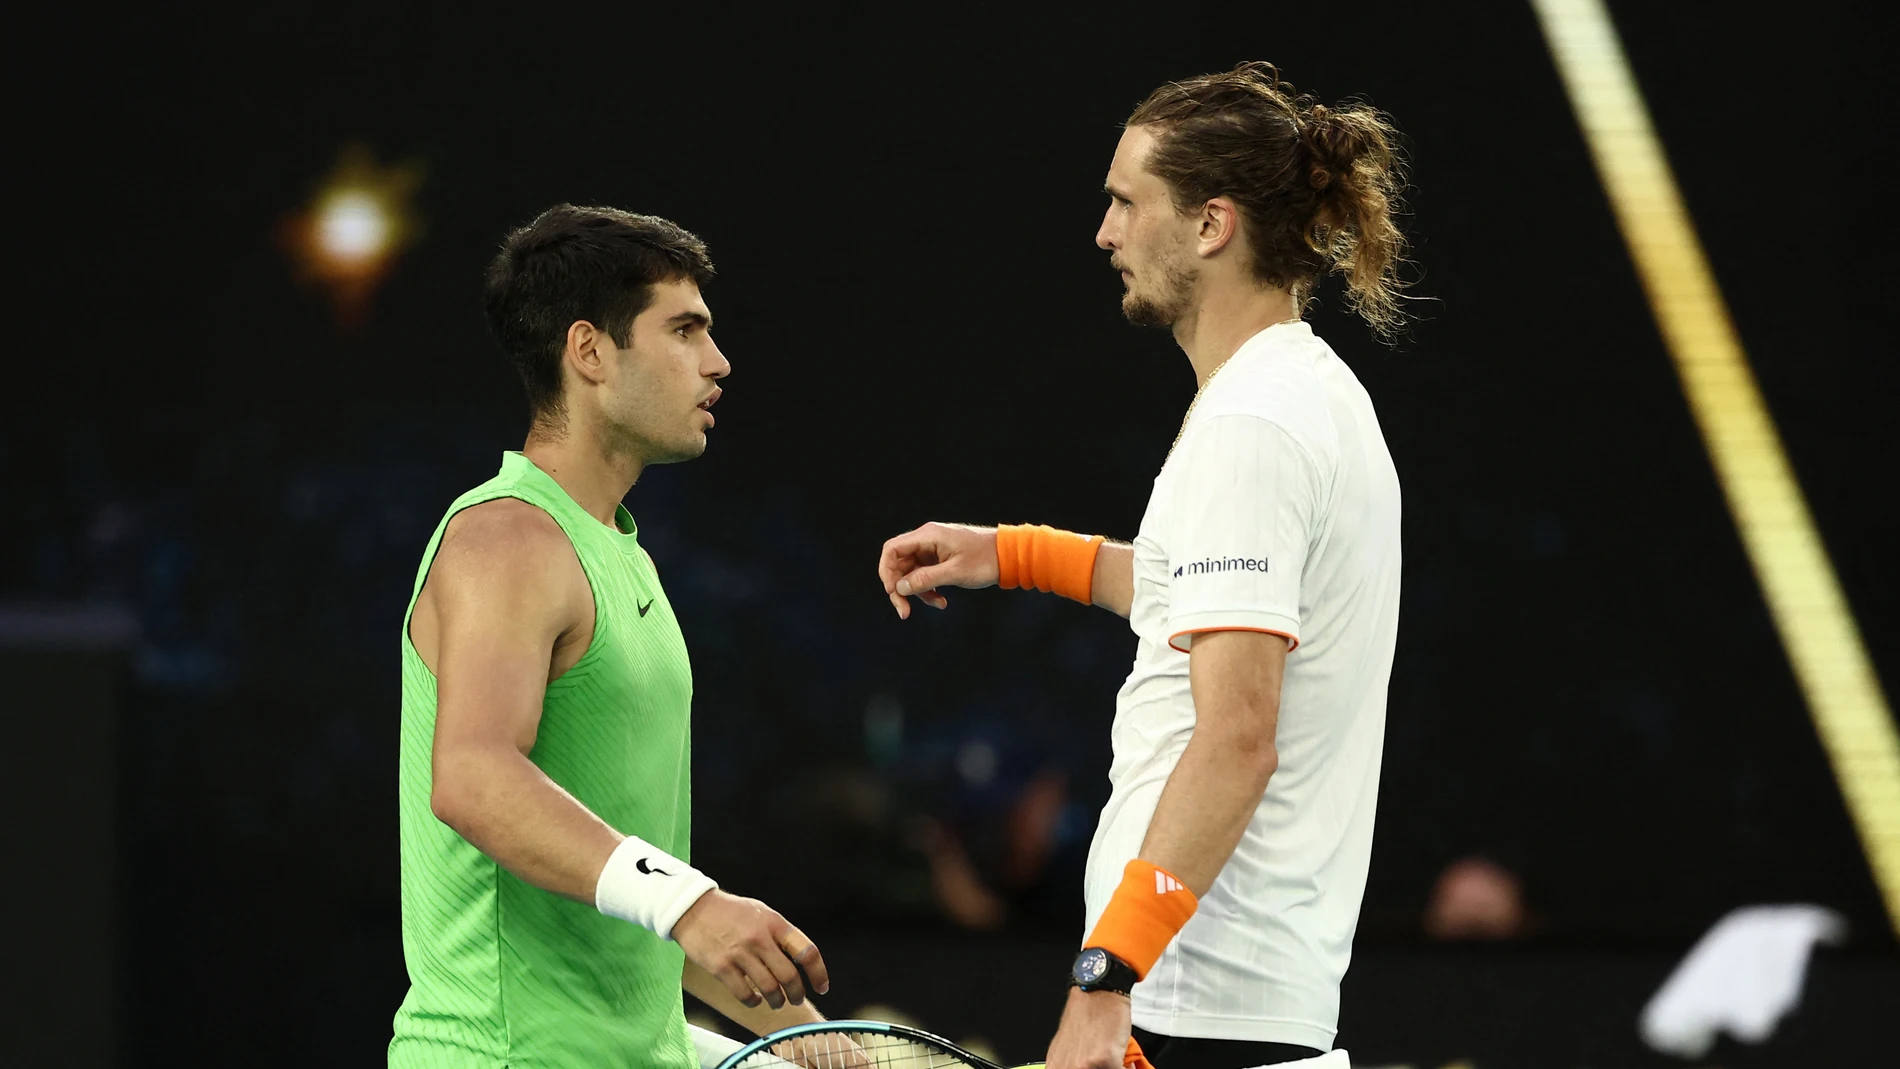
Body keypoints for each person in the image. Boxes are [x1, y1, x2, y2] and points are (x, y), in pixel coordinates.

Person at [877, 63, 1409, 1069]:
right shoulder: (1299, 395)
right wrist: (1012, 555)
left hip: (1194, 1004)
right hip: (1230, 1002)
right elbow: (1190, 595)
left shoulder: (1254, 424)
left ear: (1210, 225)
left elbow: (1238, 738)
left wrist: (1105, 977)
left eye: (1126, 202)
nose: (1105, 233)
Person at [392, 204, 832, 1068]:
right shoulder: (505, 538)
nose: (719, 361)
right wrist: (696, 905)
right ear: (590, 352)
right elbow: (475, 778)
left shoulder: (619, 555)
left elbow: (628, 907)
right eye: (684, 329)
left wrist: (806, 1036)